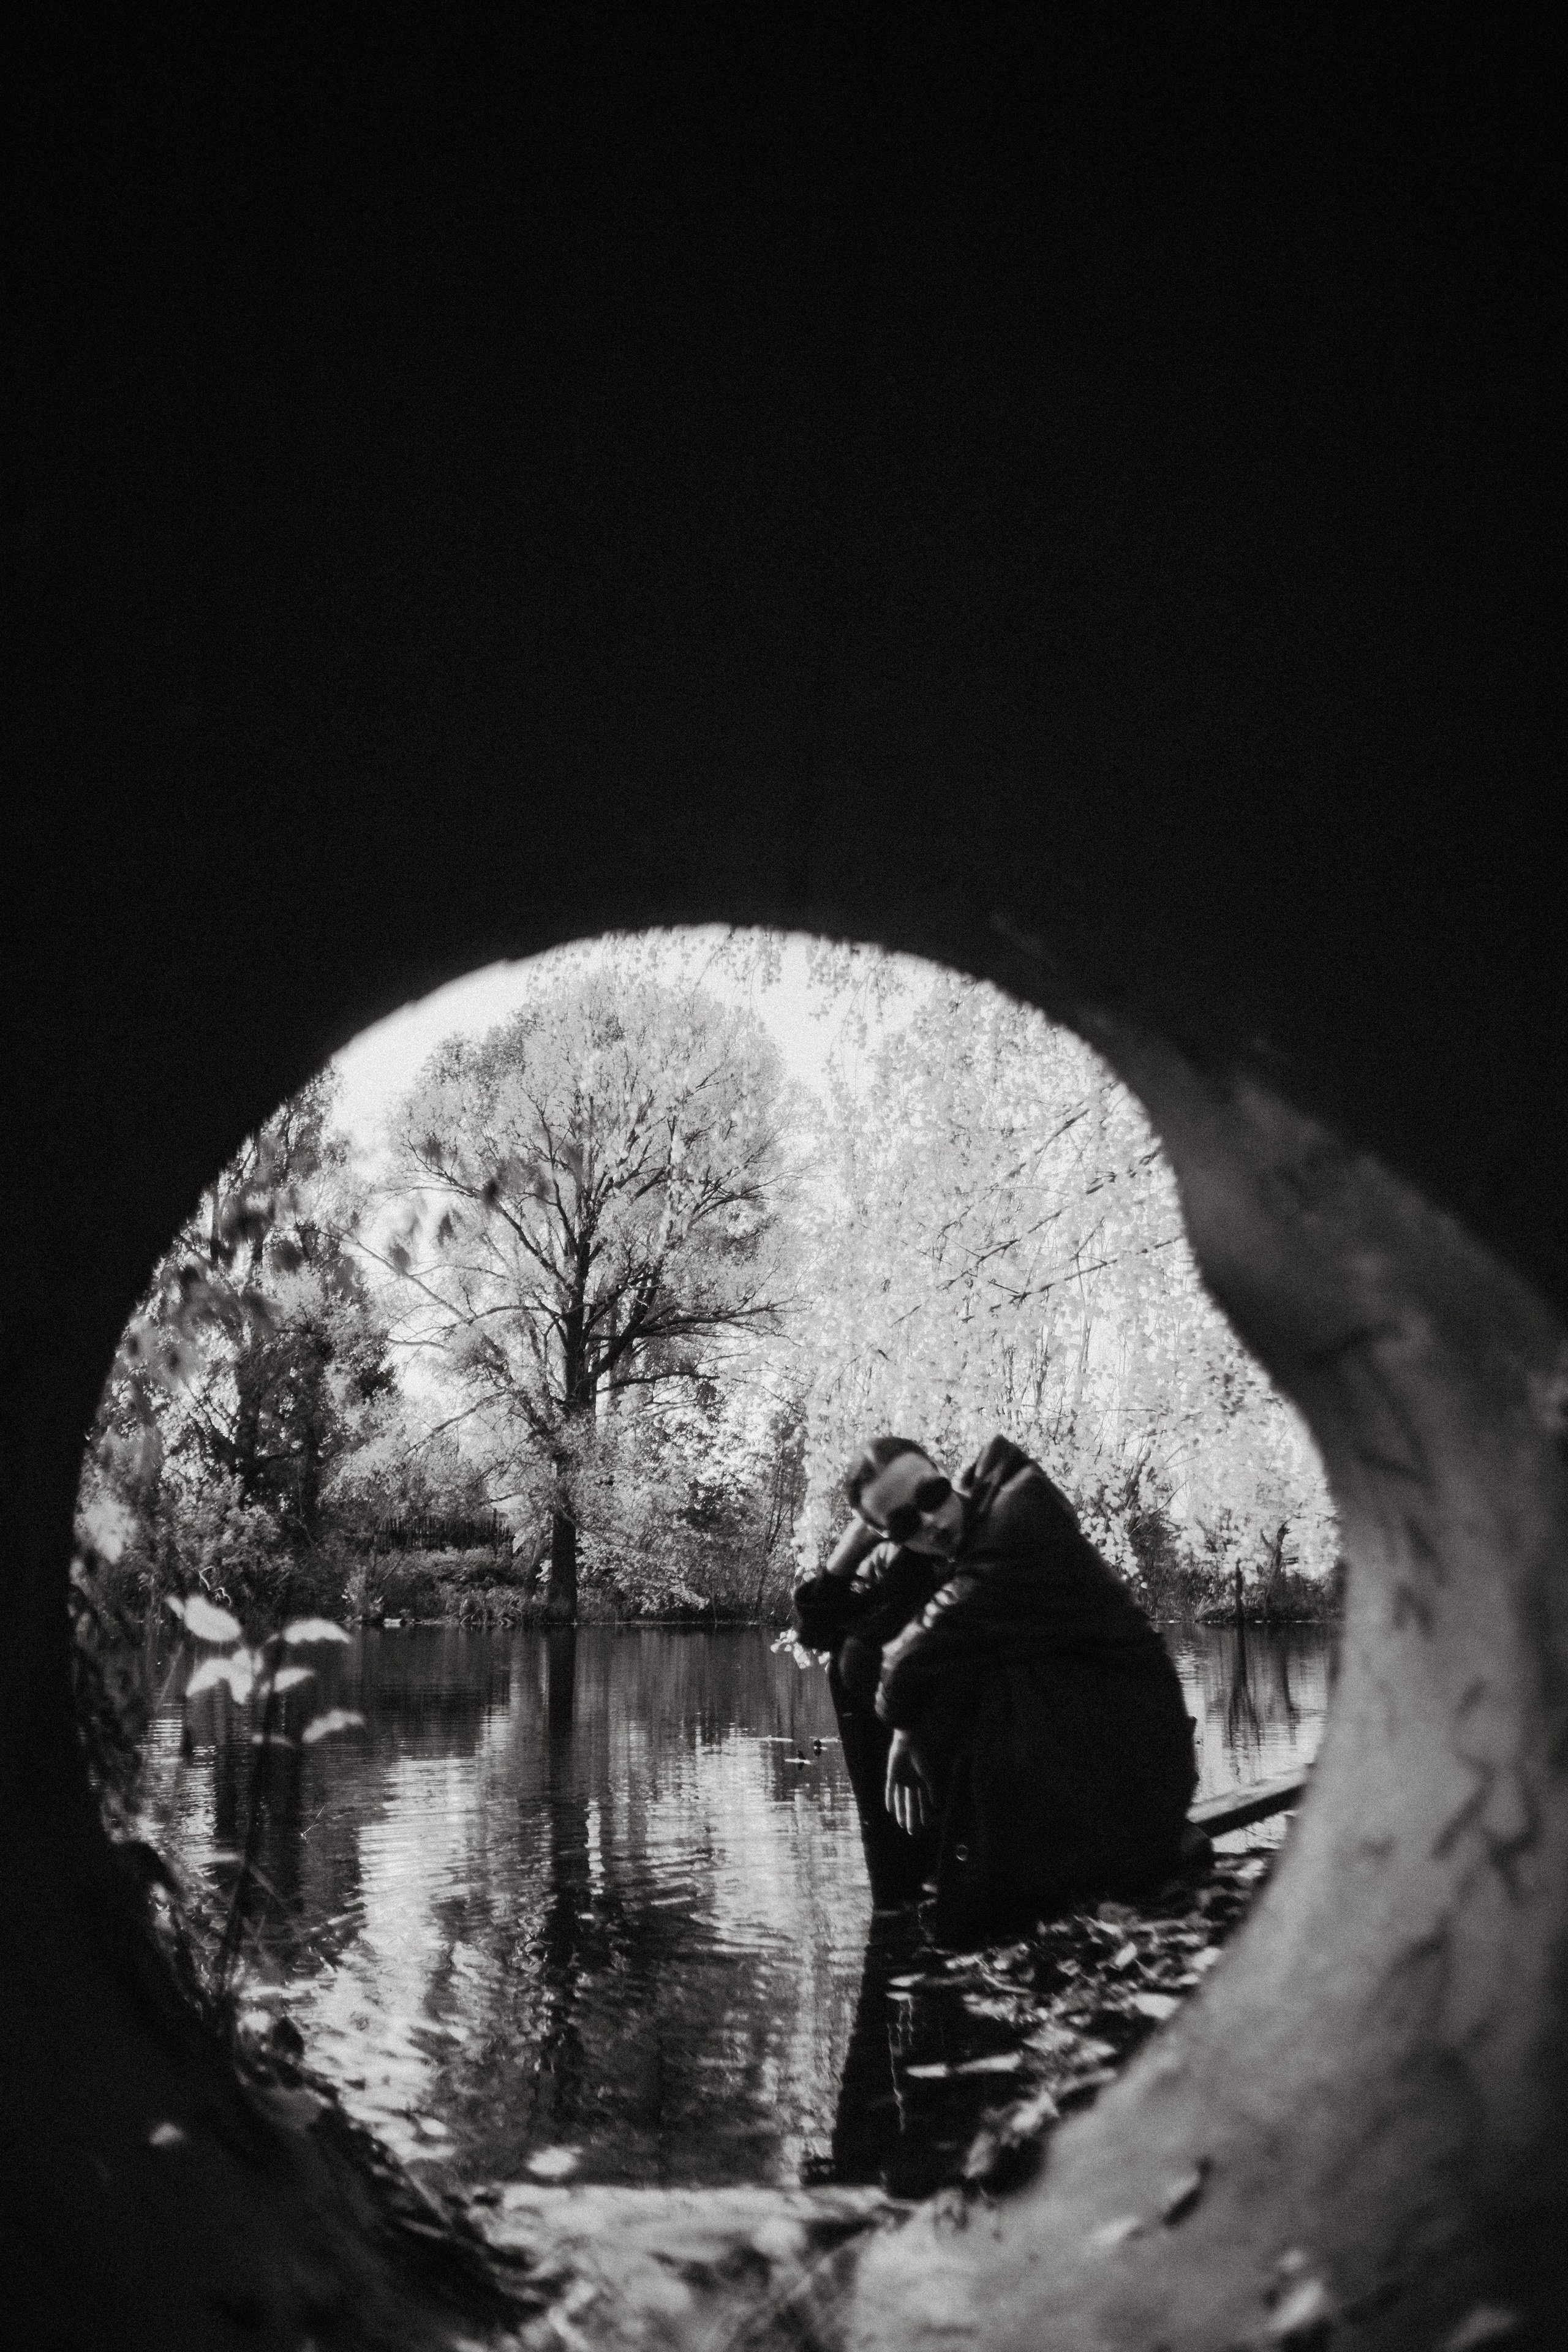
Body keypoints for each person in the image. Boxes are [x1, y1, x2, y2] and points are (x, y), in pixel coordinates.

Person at [793, 1433, 1197, 1945]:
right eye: (902, 1522)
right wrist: (850, 1550)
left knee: (922, 1672)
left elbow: (910, 1660)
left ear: (944, 1475)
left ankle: (957, 1871)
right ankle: (913, 1878)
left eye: (932, 1493)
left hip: (1135, 1765)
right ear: (885, 1533)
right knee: (856, 1653)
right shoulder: (942, 1539)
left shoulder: (1019, 1518)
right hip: (1073, 1747)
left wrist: (904, 1734)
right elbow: (819, 1631)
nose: (932, 1522)